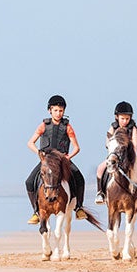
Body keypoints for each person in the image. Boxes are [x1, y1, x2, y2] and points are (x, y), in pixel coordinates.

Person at [24, 95, 88, 223]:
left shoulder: (67, 127)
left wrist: (68, 157)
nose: (58, 113)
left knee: (80, 179)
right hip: (46, 161)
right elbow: (30, 143)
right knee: (29, 182)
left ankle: (79, 208)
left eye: (61, 111)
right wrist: (39, 153)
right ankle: (36, 212)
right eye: (55, 110)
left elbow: (76, 147)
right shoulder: (43, 126)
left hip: (62, 161)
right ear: (50, 110)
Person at [95, 101, 137, 206]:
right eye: (122, 118)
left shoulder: (132, 128)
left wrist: (130, 154)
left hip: (130, 156)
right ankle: (100, 193)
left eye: (127, 118)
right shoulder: (113, 127)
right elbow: (107, 142)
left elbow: (135, 144)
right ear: (117, 117)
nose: (125, 121)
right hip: (115, 156)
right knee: (100, 168)